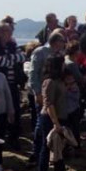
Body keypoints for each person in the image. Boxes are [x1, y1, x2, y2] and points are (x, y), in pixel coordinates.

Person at [0, 22, 26, 148]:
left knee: (15, 111)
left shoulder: (12, 44)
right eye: (7, 31)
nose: (10, 34)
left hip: (13, 84)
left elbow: (22, 57)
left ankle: (14, 138)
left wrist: (8, 58)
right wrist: (11, 59)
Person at [28, 33, 66, 162]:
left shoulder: (60, 53)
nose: (63, 43)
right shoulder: (40, 52)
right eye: (61, 41)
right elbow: (33, 73)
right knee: (41, 123)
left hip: (56, 92)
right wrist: (37, 93)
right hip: (43, 92)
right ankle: (37, 151)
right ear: (55, 41)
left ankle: (50, 148)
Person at [37, 55, 69, 171]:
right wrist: (55, 123)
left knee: (59, 148)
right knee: (46, 147)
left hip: (60, 117)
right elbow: (49, 104)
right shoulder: (49, 82)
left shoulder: (59, 81)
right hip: (50, 118)